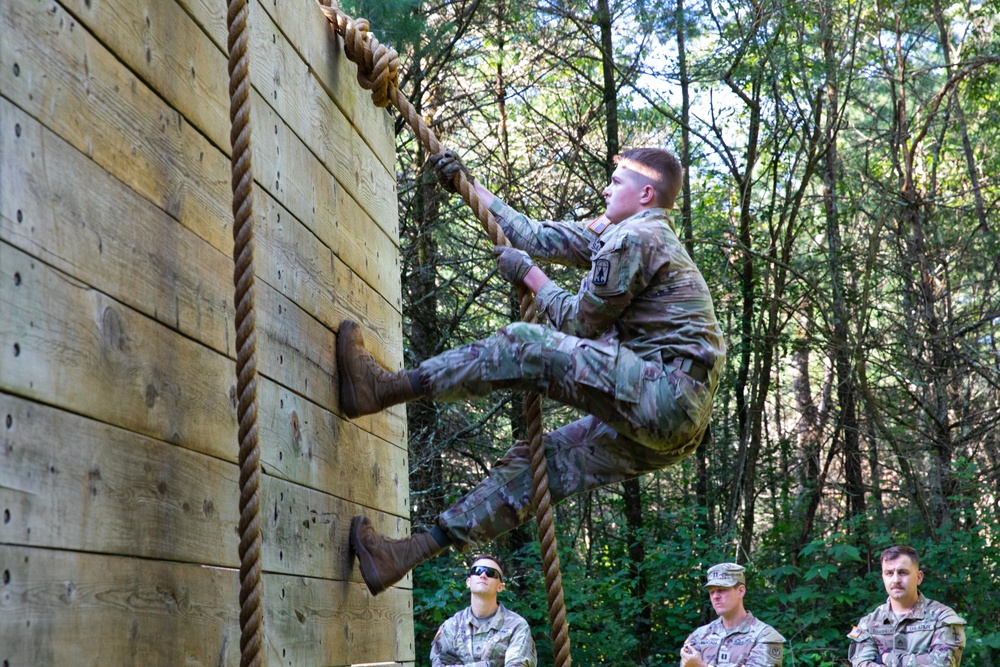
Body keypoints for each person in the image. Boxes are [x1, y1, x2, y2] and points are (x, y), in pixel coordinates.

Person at [340, 147, 726, 595]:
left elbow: (579, 321)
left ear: (644, 194)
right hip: (677, 420)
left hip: (665, 392)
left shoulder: (639, 237)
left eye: (616, 181)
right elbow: (534, 236)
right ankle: (401, 556)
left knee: (527, 345)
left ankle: (380, 390)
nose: (605, 188)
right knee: (541, 465)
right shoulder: (622, 236)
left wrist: (530, 276)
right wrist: (468, 186)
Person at [847, 545, 966, 667]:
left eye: (903, 572)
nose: (896, 580)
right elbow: (861, 663)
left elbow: (944, 663)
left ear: (919, 577)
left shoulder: (942, 618)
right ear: (883, 577)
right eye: (889, 573)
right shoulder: (869, 623)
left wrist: (887, 658)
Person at [430, 554, 536, 667]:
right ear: (468, 582)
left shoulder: (517, 626)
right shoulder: (451, 626)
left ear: (500, 587)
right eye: (477, 571)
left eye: (491, 573)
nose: (483, 575)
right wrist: (489, 665)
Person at [679, 562, 785, 667]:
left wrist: (701, 666)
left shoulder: (765, 636)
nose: (715, 596)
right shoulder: (700, 635)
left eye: (722, 590)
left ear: (741, 591)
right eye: (712, 592)